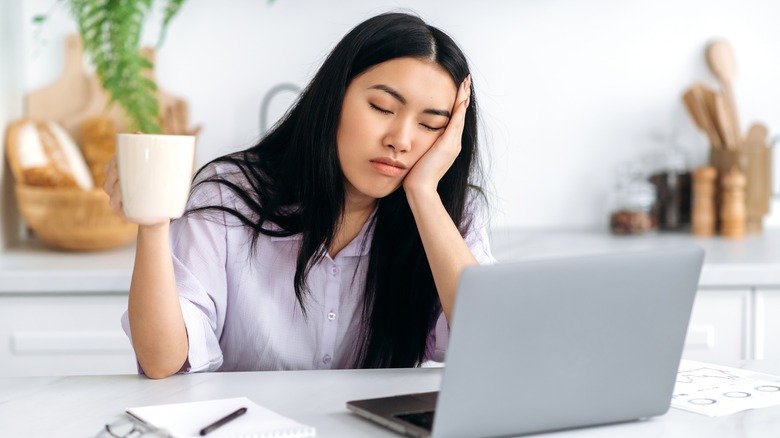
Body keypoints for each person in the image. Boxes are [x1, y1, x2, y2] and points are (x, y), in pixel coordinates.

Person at [104, 11, 495, 379]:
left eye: (430, 125)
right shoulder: (231, 196)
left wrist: (424, 195)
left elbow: (488, 343)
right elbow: (162, 363)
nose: (401, 141)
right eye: (382, 107)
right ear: (334, 97)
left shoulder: (451, 216)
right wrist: (153, 224)